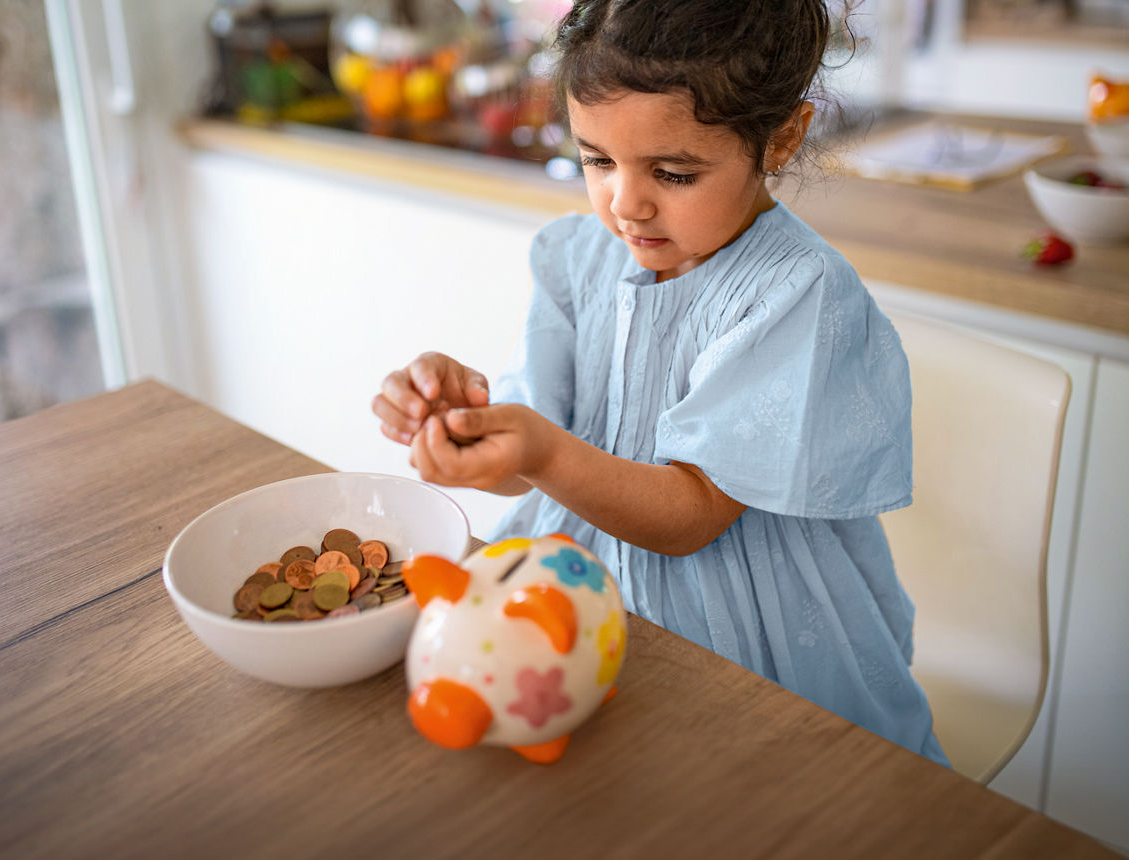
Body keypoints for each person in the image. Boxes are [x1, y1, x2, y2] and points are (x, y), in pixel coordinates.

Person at [371, 0, 948, 766]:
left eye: (674, 172)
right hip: (577, 603)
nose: (626, 202)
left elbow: (690, 515)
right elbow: (524, 465)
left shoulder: (794, 293)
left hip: (750, 634)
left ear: (782, 137)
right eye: (597, 160)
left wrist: (540, 452)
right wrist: (469, 427)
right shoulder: (580, 258)